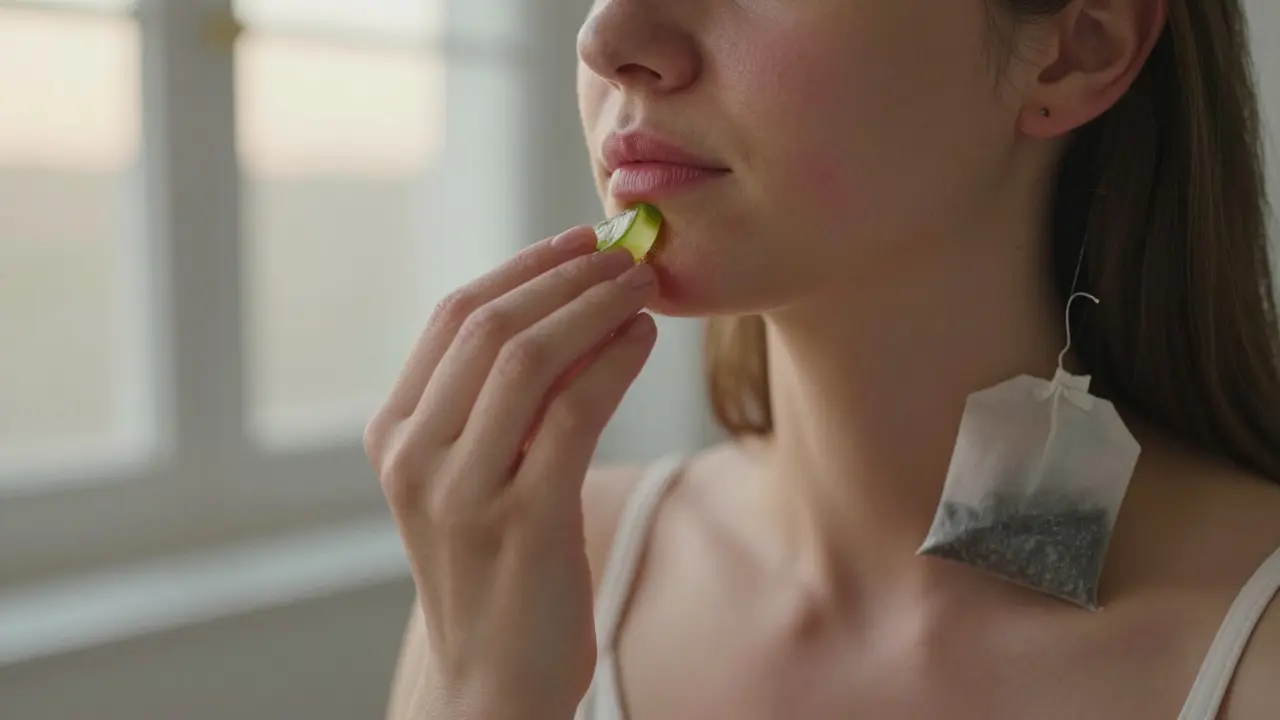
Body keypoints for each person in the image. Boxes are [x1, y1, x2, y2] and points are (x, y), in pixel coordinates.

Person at [365, 0, 1280, 717]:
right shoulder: (541, 563)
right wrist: (481, 701)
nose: (611, 35)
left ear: (1077, 47)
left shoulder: (1257, 647)